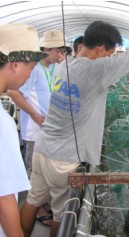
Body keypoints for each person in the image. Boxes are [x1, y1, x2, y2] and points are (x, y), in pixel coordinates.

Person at [20, 3, 129, 237]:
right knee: (60, 215)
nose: (111, 59)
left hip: (43, 149)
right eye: (110, 54)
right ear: (101, 48)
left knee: (32, 200)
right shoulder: (96, 70)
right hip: (63, 160)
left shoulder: (65, 64)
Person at [7, 29, 71, 227]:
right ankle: (38, 208)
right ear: (45, 49)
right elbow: (15, 93)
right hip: (35, 129)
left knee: (45, 168)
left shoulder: (52, 68)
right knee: (34, 168)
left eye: (63, 52)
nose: (60, 56)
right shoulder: (33, 70)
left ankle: (41, 203)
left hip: (48, 127)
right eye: (57, 51)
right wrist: (35, 115)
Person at [0, 22, 46, 237]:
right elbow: (4, 198)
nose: (30, 74)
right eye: (31, 67)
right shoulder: (3, 123)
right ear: (16, 64)